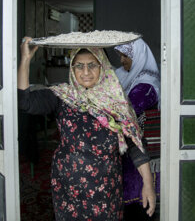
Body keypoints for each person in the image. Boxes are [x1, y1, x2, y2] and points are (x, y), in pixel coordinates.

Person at [18, 37, 156, 220]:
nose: (86, 72)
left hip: (106, 189)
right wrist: (26, 59)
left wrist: (148, 184)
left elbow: (136, 144)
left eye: (92, 65)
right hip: (69, 188)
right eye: (79, 66)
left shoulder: (117, 103)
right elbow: (25, 101)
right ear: (72, 69)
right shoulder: (62, 96)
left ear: (103, 66)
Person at [114, 38, 160, 219]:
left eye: (125, 56)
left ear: (139, 57)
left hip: (137, 155)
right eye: (120, 56)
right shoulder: (125, 75)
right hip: (122, 151)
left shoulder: (147, 85)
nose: (122, 61)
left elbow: (125, 112)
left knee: (137, 206)